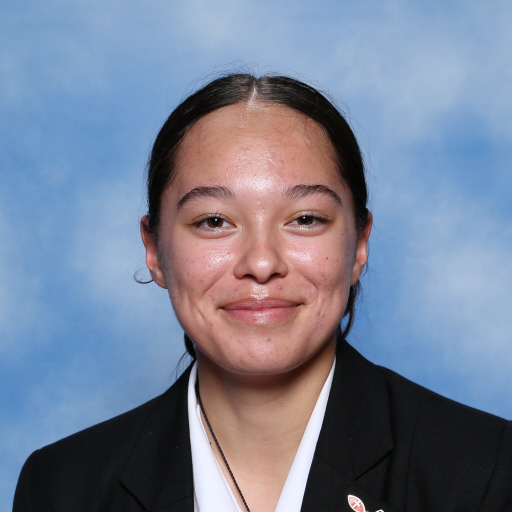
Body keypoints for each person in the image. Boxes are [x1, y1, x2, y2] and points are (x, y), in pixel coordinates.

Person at [13, 73, 512, 512]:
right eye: (213, 221)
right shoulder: (60, 486)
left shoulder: (487, 471)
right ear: (154, 248)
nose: (261, 263)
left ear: (359, 243)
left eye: (305, 219)